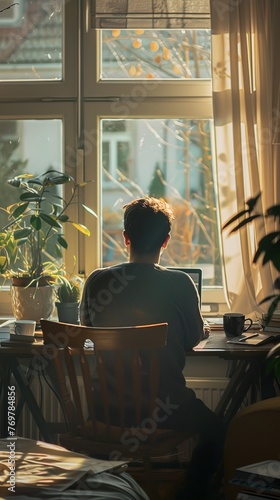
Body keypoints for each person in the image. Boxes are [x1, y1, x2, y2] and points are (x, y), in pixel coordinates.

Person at [80, 197, 226, 499]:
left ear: (125, 237)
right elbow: (190, 339)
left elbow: (88, 332)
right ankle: (190, 494)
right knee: (217, 429)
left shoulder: (96, 281)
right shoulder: (180, 283)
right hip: (164, 411)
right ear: (166, 241)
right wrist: (204, 329)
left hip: (107, 410)